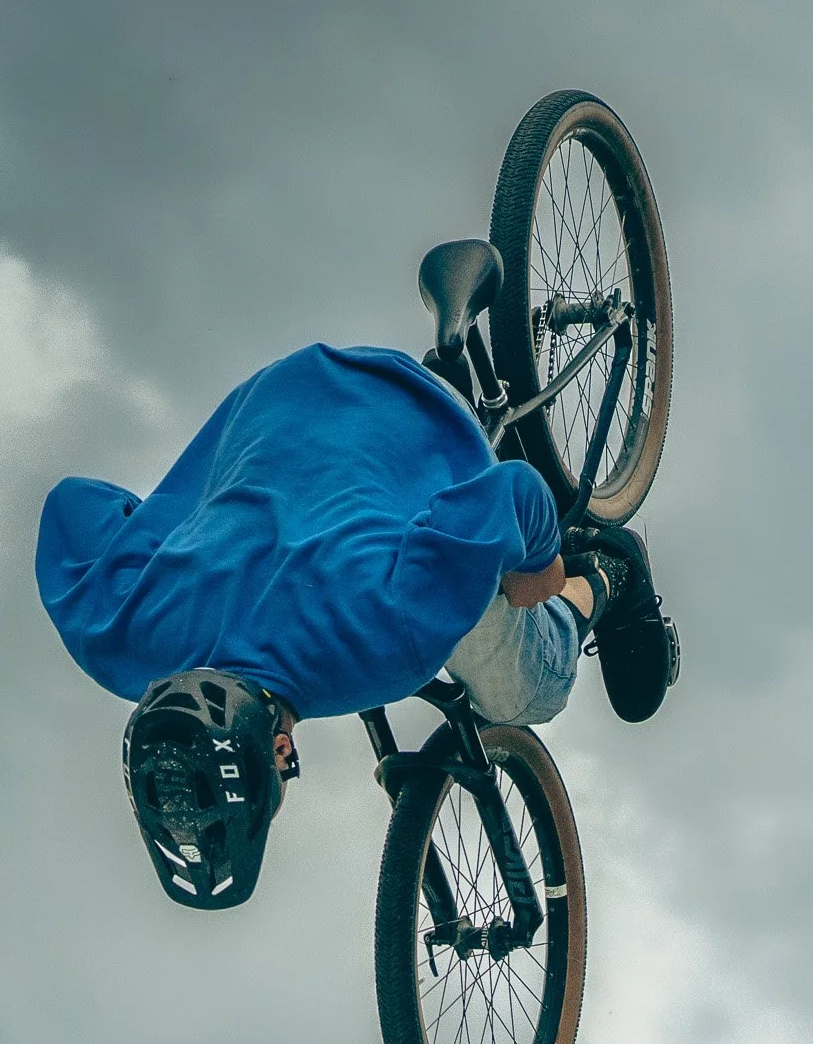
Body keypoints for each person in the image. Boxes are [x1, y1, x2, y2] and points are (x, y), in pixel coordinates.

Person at [35, 341, 677, 908]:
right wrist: (178, 530)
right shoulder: (117, 634)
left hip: (416, 409)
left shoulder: (387, 635)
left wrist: (539, 571)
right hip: (278, 397)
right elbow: (73, 503)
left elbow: (516, 492)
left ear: (280, 752)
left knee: (520, 693)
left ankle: (609, 575)